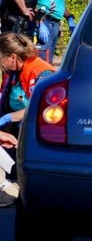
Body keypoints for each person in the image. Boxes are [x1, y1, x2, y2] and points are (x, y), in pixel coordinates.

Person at [0, 32, 53, 204]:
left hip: (34, 125)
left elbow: (37, 108)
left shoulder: (41, 73)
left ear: (13, 57)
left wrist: (8, 118)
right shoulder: (12, 71)